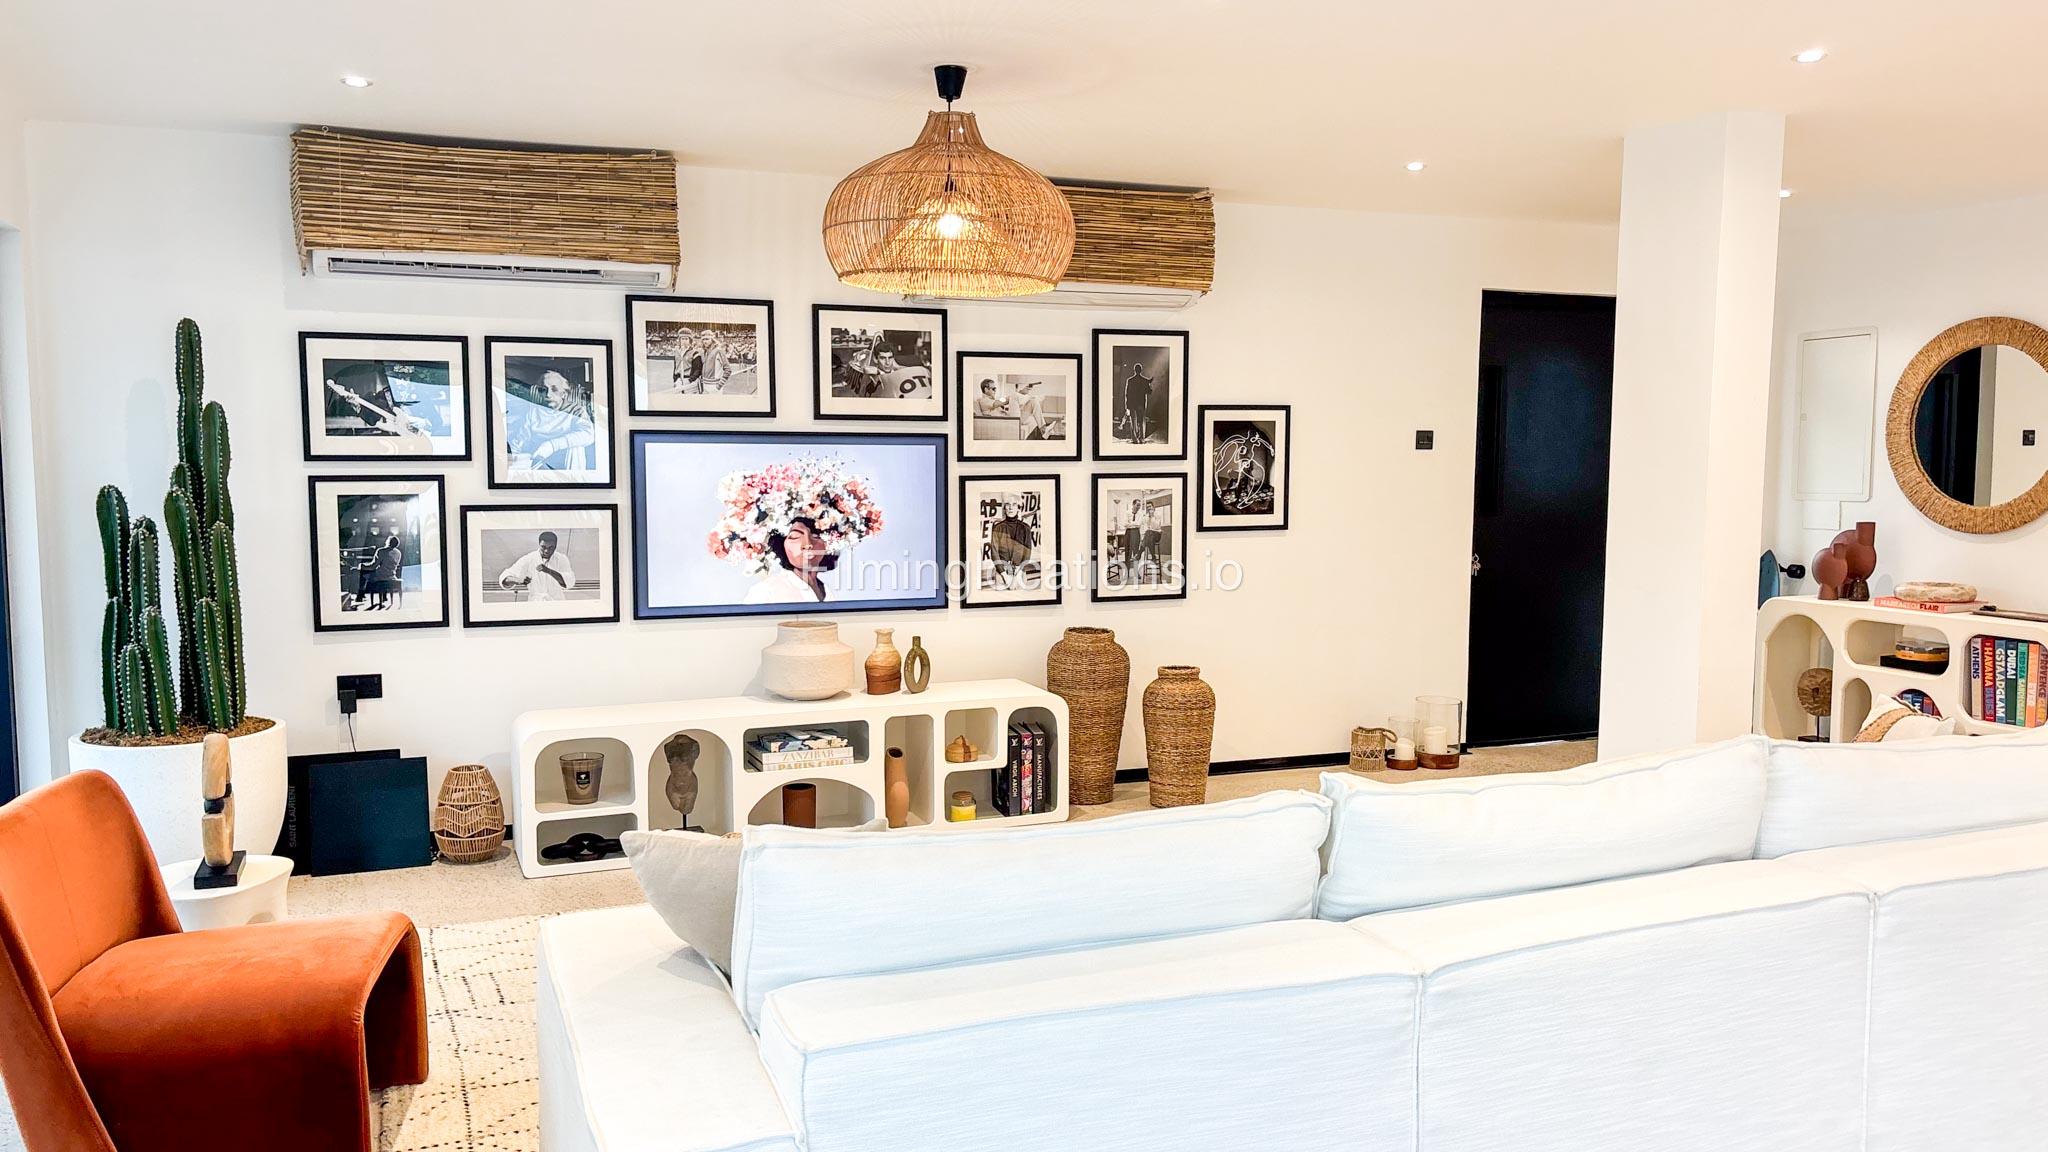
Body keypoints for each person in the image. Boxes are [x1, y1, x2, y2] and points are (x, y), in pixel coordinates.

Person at [516, 369, 597, 472]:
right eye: (543, 389)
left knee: (575, 448)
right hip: (539, 461)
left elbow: (588, 435)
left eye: (554, 389)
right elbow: (520, 440)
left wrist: (552, 445)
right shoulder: (533, 411)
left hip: (566, 462)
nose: (548, 394)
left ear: (564, 393)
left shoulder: (575, 410)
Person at [744, 516, 837, 604]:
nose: (807, 544)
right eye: (795, 537)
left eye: (816, 536)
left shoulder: (827, 592)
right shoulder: (765, 591)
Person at [498, 530, 576, 602]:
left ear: (555, 546)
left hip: (557, 602)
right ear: (539, 544)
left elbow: (569, 582)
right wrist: (518, 580)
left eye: (550, 548)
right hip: (536, 603)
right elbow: (504, 578)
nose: (546, 551)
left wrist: (548, 571)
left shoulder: (562, 559)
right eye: (543, 547)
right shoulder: (529, 558)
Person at [985, 498, 1036, 588]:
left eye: (1014, 504)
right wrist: (1004, 575)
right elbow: (994, 553)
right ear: (1004, 508)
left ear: (1018, 508)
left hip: (1020, 571)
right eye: (1008, 504)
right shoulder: (998, 527)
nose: (1011, 508)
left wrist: (1019, 573)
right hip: (1002, 572)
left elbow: (1027, 554)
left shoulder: (1025, 528)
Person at [1122, 360, 1154, 443]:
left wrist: (1127, 406)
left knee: (1133, 421)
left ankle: (1134, 439)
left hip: (1132, 404)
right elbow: (1149, 392)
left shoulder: (1130, 380)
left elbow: (1127, 394)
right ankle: (1141, 438)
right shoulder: (1144, 381)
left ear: (1134, 370)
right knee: (1141, 421)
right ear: (1141, 370)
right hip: (1141, 403)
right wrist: (1149, 384)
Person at [371, 533, 404, 609]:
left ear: (388, 542)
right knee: (383, 572)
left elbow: (373, 565)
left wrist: (361, 566)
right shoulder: (398, 553)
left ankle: (360, 595)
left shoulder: (381, 551)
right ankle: (385, 598)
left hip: (381, 577)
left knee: (367, 576)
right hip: (392, 576)